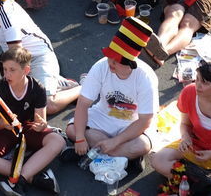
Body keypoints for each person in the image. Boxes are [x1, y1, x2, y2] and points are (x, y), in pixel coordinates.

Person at [67, 15, 158, 178]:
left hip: (131, 124)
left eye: (116, 61)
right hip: (102, 117)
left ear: (130, 63)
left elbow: (145, 120)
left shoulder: (146, 77)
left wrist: (115, 141)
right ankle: (125, 159)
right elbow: (82, 104)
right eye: (110, 57)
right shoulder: (101, 66)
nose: (111, 63)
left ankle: (94, 153)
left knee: (142, 146)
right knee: (72, 130)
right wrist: (80, 137)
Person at [0, 46, 64, 192]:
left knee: (58, 141)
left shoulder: (37, 88)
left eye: (12, 70)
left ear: (26, 70)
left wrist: (41, 125)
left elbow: (40, 119)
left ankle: (20, 179)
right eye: (5, 69)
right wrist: (3, 123)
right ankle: (33, 176)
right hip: (3, 131)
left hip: (26, 127)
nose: (7, 74)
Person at [149, 59, 211, 178]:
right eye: (198, 79)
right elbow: (185, 124)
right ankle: (204, 182)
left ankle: (194, 180)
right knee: (158, 160)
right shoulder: (189, 92)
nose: (198, 86)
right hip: (195, 147)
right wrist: (186, 137)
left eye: (205, 83)